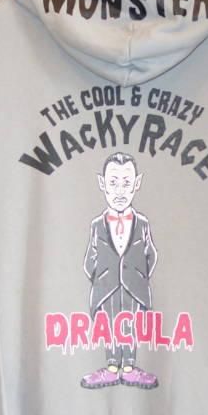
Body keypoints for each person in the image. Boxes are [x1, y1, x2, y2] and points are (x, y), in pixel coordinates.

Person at [81, 152, 158, 390]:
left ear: (137, 183)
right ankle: (112, 366)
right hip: (107, 287)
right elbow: (90, 258)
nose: (120, 190)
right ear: (102, 183)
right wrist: (101, 277)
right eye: (113, 182)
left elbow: (151, 254)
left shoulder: (142, 223)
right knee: (110, 324)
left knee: (130, 325)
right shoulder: (97, 224)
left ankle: (129, 367)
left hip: (134, 286)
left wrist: (139, 276)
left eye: (126, 183)